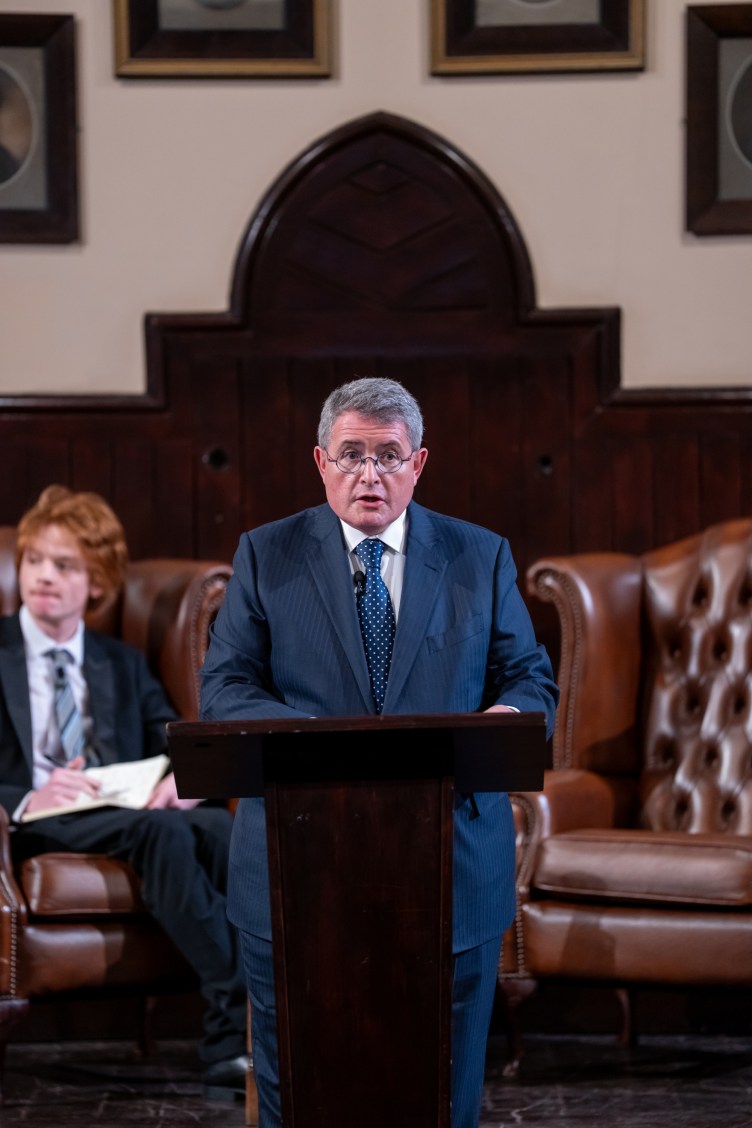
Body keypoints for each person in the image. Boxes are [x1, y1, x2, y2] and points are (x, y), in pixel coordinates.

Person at [200, 376, 559, 1128]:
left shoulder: (478, 555)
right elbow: (226, 690)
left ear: (419, 463)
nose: (370, 474)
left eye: (388, 455)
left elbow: (529, 677)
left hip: (450, 864)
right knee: (298, 1089)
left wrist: (501, 719)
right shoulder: (266, 555)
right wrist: (326, 747)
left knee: (443, 1087)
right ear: (321, 463)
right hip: (297, 868)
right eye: (352, 455)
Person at [0, 485, 248, 1099]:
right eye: (35, 561)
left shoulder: (119, 662)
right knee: (158, 831)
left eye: (65, 566)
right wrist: (31, 792)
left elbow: (169, 741)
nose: (45, 578)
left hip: (127, 808)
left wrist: (180, 781)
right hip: (37, 815)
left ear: (97, 581)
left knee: (224, 827)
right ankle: (237, 1016)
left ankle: (232, 1040)